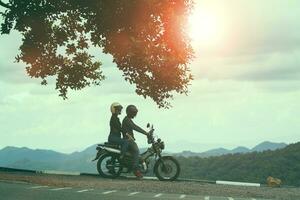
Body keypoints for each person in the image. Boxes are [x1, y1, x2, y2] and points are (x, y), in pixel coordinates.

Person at [122, 105, 148, 178]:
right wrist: (146, 133)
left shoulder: (128, 119)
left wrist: (146, 133)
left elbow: (134, 126)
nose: (134, 114)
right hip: (128, 140)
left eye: (135, 113)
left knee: (136, 151)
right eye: (133, 113)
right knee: (136, 151)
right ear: (129, 112)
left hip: (129, 139)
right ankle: (135, 169)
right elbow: (135, 127)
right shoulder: (127, 120)